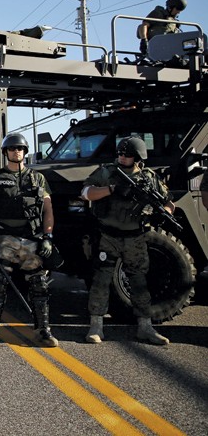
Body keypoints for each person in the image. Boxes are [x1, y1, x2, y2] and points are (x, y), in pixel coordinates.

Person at [81, 137, 172, 345]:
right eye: (120, 153)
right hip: (108, 236)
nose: (122, 157)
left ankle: (145, 327)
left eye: (127, 154)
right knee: (101, 280)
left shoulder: (149, 178)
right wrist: (111, 189)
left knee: (139, 282)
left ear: (138, 157)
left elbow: (168, 202)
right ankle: (96, 326)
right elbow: (86, 193)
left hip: (135, 238)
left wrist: (163, 213)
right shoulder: (107, 172)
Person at [0, 133, 58, 348]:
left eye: (21, 149)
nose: (17, 152)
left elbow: (48, 210)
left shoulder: (37, 178)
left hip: (31, 237)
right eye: (13, 149)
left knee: (39, 285)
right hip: (5, 237)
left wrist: (47, 236)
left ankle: (43, 330)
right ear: (6, 152)